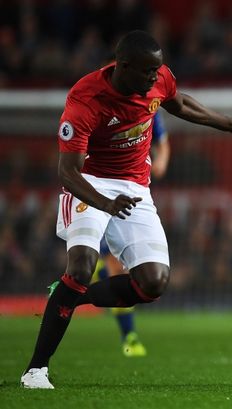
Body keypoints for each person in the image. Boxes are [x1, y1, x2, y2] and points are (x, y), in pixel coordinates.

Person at [21, 30, 232, 389]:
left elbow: (181, 104)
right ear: (124, 66)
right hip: (90, 182)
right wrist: (105, 204)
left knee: (153, 283)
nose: (154, 77)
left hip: (135, 188)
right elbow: (68, 172)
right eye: (147, 71)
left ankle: (70, 295)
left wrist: (231, 123)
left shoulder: (158, 78)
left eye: (157, 70)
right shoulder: (86, 100)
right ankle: (35, 370)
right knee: (82, 266)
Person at [46, 111, 170, 358]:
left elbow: (162, 142)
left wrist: (161, 161)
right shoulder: (94, 106)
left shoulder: (148, 107)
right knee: (95, 267)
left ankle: (124, 332)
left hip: (130, 192)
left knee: (115, 272)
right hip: (95, 192)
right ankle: (127, 334)